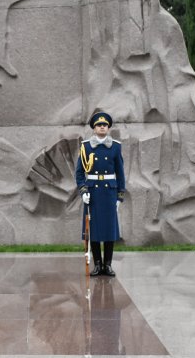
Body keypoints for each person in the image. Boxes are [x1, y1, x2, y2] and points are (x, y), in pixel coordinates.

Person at [75, 111, 126, 276]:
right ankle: (98, 265)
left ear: (108, 127)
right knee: (94, 230)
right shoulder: (86, 146)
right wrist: (83, 191)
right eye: (99, 125)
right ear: (94, 128)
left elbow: (120, 172)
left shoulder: (116, 146)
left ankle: (108, 265)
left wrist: (120, 195)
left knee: (110, 230)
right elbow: (80, 173)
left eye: (104, 125)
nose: (102, 127)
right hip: (93, 193)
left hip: (109, 193)